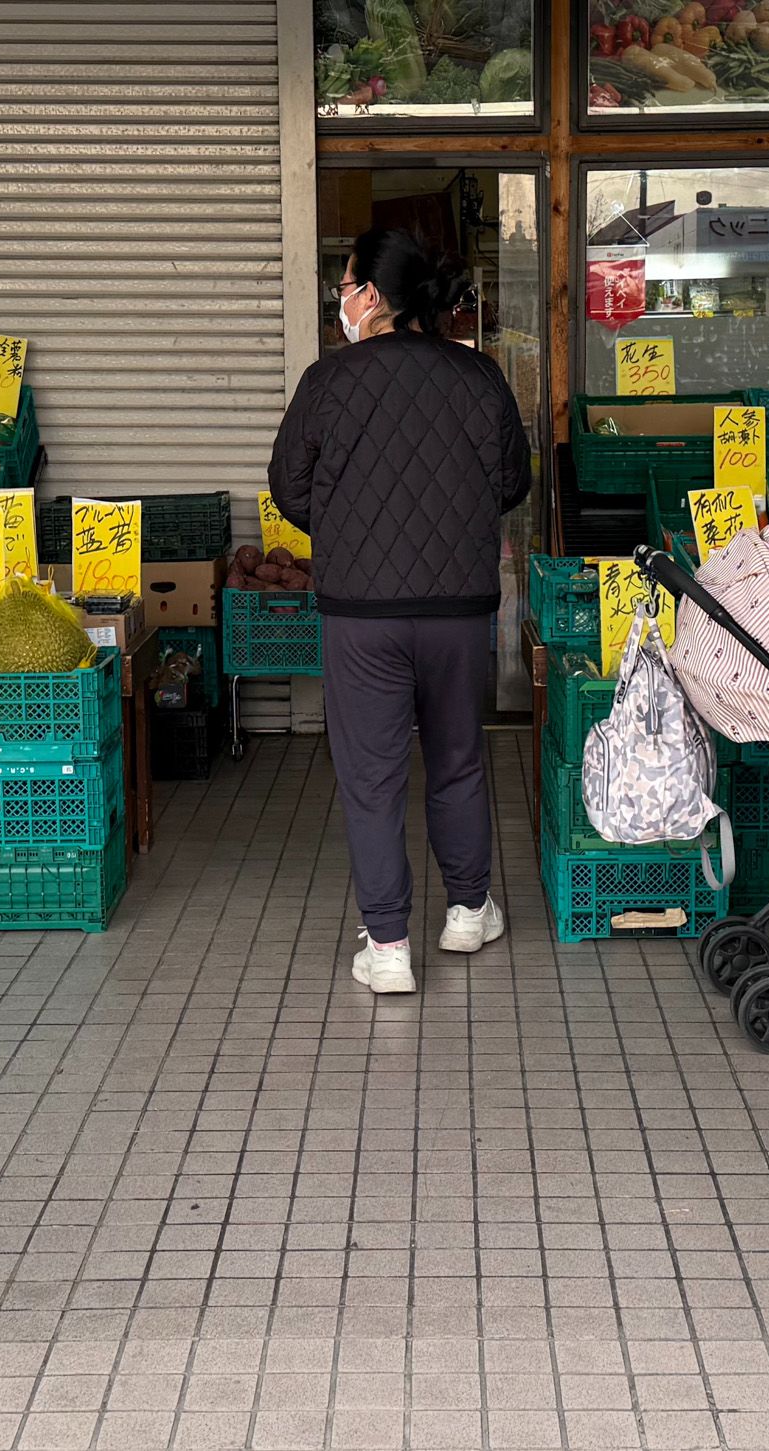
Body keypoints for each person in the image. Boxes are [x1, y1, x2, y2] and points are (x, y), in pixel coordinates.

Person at [269, 227, 532, 994]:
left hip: (361, 616)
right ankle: (467, 911)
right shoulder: (480, 377)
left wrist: (348, 523)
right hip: (458, 611)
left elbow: (289, 486)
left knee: (372, 777)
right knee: (457, 758)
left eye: (345, 284)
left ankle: (387, 947)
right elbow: (511, 482)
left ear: (372, 297)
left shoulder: (330, 380)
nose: (340, 301)